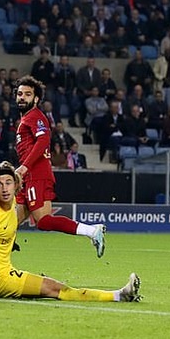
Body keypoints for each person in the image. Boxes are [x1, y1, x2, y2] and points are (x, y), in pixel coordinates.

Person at [0, 162, 141, 302]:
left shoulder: (12, 198)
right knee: (56, 289)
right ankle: (120, 295)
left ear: (16, 184)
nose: (4, 188)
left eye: (8, 183)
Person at [13, 75, 106, 257]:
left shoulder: (35, 116)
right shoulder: (26, 118)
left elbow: (43, 140)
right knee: (11, 221)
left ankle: (91, 231)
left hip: (35, 174)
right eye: (19, 94)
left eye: (27, 94)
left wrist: (24, 167)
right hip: (29, 176)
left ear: (36, 99)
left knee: (43, 221)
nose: (22, 97)